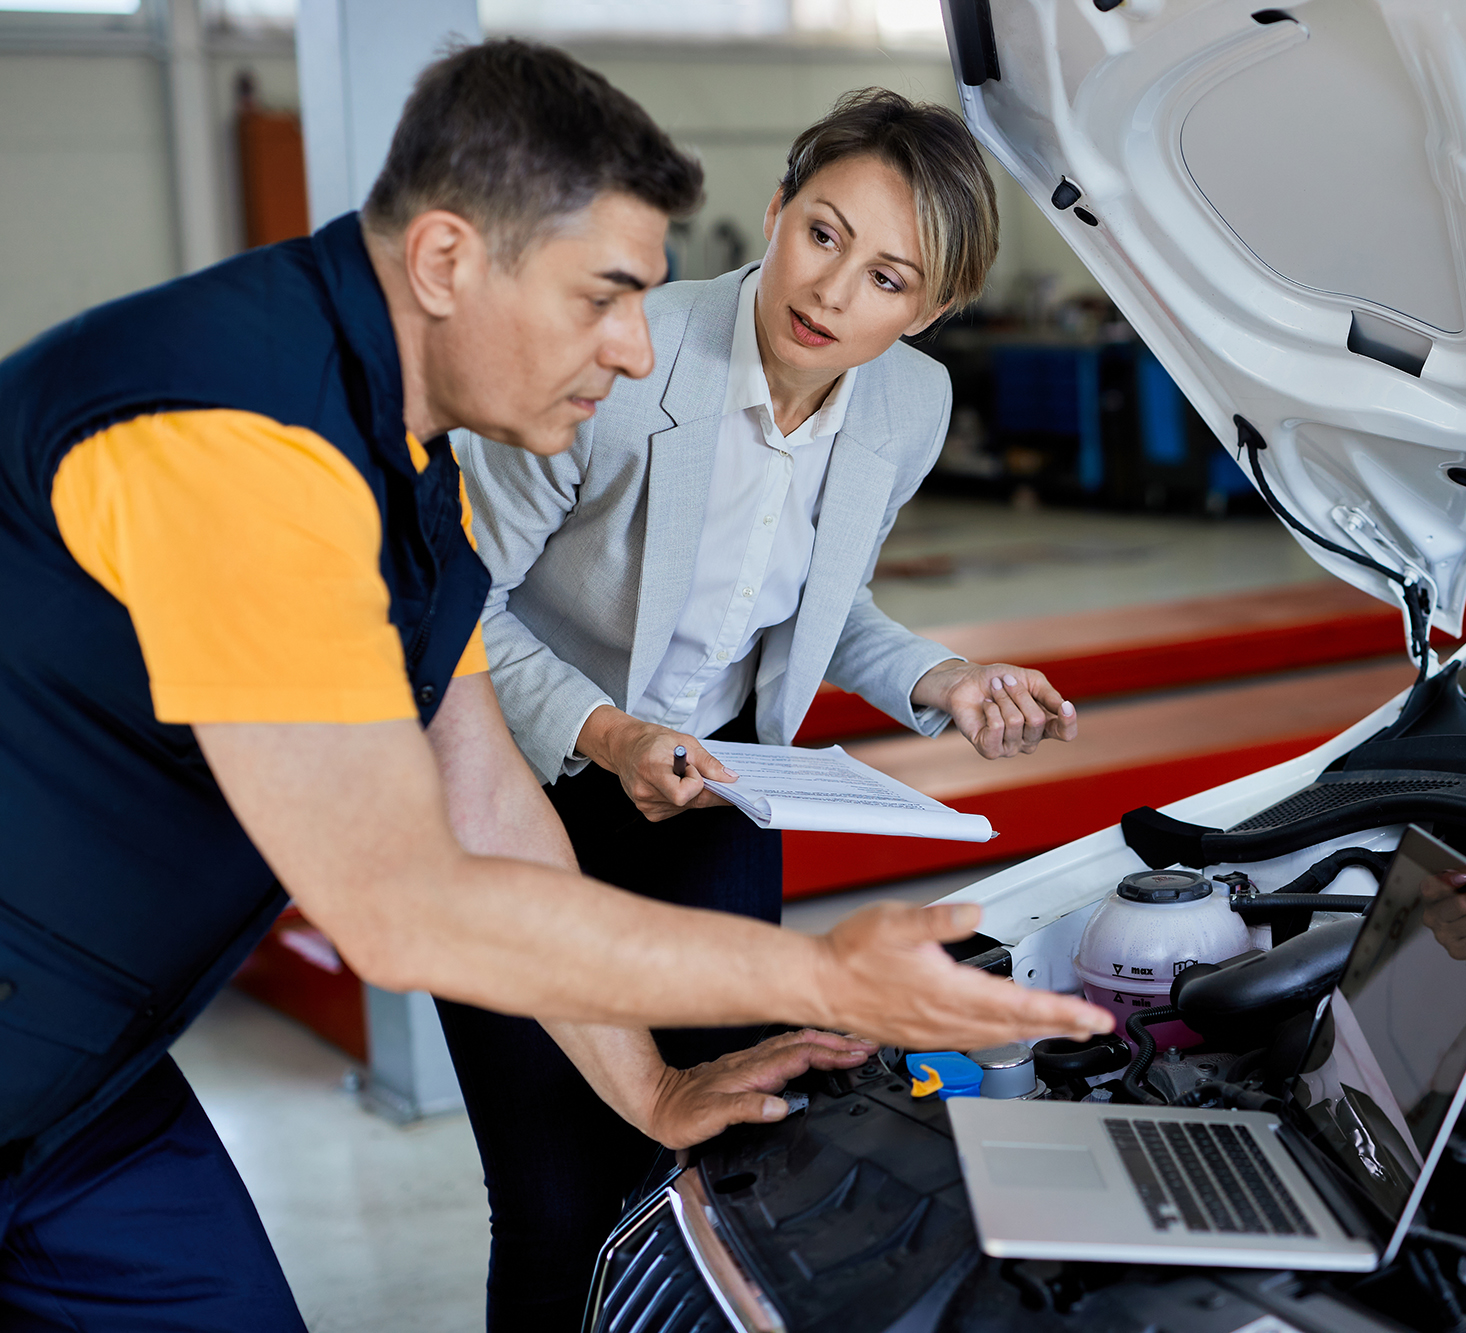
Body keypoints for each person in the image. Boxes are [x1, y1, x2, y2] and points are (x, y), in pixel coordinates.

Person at [0, 41, 1108, 1330]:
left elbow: (482, 809)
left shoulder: (401, 473)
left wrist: (646, 1090)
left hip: (90, 1078)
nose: (640, 349)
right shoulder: (246, 446)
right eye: (604, 296)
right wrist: (825, 980)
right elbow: (404, 905)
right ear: (447, 262)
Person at [443, 88, 1083, 1331]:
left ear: (931, 312)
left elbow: (816, 606)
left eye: (889, 278)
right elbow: (449, 610)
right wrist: (604, 732)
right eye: (824, 233)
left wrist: (942, 678)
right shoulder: (614, 363)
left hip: (715, 802)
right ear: (779, 208)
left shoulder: (907, 406)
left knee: (710, 1165)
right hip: (515, 787)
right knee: (554, 1199)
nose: (835, 292)